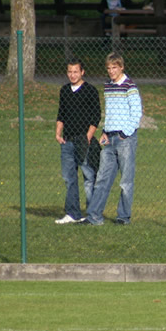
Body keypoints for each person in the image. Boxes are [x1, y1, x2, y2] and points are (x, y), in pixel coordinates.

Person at [83, 52, 143, 226]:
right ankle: (94, 217)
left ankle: (123, 217)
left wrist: (125, 133)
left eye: (114, 68)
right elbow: (109, 112)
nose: (111, 71)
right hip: (109, 139)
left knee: (125, 181)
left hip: (126, 139)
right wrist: (104, 131)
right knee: (102, 178)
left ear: (121, 67)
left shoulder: (130, 86)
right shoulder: (108, 86)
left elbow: (136, 113)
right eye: (108, 68)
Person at [55, 58, 102, 224]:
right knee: (69, 178)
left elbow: (96, 116)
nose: (72, 75)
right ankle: (72, 213)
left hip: (84, 140)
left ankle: (92, 214)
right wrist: (58, 132)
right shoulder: (65, 90)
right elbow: (61, 113)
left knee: (89, 177)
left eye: (75, 71)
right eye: (69, 71)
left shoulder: (90, 91)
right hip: (67, 140)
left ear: (82, 72)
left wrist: (88, 137)